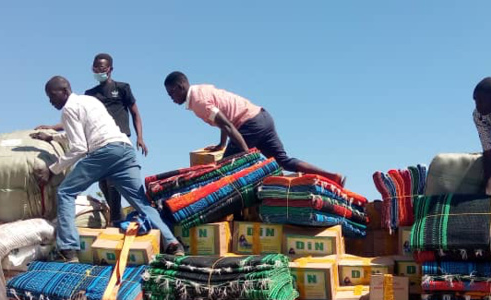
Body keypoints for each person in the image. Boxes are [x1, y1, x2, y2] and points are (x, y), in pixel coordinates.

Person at [31, 76, 184, 262]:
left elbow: (79, 147)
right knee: (141, 203)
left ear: (64, 91)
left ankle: (68, 249)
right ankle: (173, 243)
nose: (50, 101)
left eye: (52, 95)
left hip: (105, 152)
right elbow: (84, 134)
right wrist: (53, 137)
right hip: (124, 150)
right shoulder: (89, 101)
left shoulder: (68, 109)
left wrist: (52, 169)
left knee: (65, 192)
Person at [164, 71, 346, 186]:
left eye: (172, 92)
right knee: (283, 160)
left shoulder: (198, 102)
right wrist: (221, 145)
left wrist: (246, 154)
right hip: (263, 117)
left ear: (180, 87)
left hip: (250, 124)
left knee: (226, 169)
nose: (171, 98)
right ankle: (332, 176)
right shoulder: (201, 91)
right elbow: (224, 120)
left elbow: (227, 124)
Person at [37, 53, 148, 226]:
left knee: (117, 186)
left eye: (102, 68)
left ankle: (123, 220)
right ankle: (115, 221)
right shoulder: (90, 95)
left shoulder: (122, 88)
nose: (98, 71)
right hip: (97, 145)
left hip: (117, 141)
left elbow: (135, 112)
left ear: (110, 68)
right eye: (95, 68)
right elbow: (76, 122)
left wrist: (140, 137)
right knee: (104, 185)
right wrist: (52, 129)